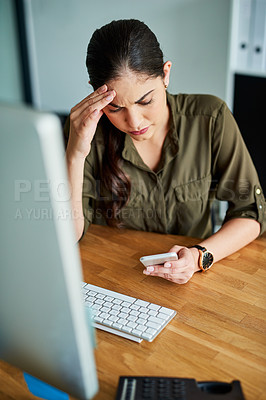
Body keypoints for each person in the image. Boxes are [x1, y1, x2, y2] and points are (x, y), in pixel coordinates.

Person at [65, 19, 265, 284]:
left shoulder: (210, 118)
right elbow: (69, 235)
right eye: (115, 108)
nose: (134, 122)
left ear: (166, 74)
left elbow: (250, 212)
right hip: (114, 279)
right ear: (95, 93)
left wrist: (199, 257)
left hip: (195, 281)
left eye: (145, 100)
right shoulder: (87, 133)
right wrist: (75, 153)